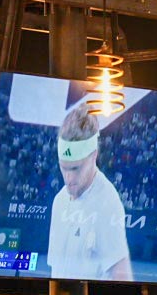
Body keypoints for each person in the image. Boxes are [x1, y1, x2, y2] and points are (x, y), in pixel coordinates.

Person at [47, 103, 133, 280]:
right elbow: (55, 273)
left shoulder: (107, 203)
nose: (68, 179)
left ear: (94, 155)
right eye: (64, 168)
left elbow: (121, 276)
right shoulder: (59, 201)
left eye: (76, 169)